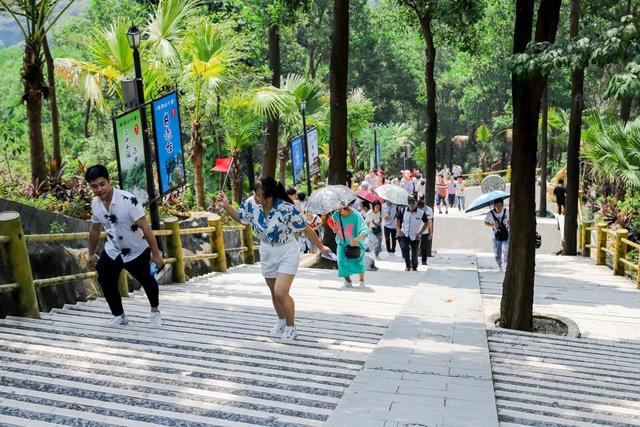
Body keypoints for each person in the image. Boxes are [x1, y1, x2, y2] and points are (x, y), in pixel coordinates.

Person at [215, 177, 330, 341]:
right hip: (267, 250)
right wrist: (226, 205)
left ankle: (291, 327)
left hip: (287, 251)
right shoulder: (251, 204)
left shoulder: (286, 209)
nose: (255, 198)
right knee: (273, 292)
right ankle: (281, 321)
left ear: (269, 197)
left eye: (258, 196)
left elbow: (305, 228)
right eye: (254, 194)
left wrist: (321, 247)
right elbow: (241, 218)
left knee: (280, 292)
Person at [85, 164, 164, 326]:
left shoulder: (128, 200)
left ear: (109, 181)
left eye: (102, 184)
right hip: (113, 249)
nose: (99, 189)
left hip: (136, 249)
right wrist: (90, 253)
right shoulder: (95, 204)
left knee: (146, 280)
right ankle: (119, 315)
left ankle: (155, 310)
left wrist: (156, 254)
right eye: (94, 186)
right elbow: (95, 229)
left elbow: (146, 227)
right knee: (104, 276)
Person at [331, 204, 368, 288]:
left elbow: (364, 229)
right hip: (342, 243)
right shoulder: (336, 215)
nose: (338, 211)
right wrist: (334, 229)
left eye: (340, 208)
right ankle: (348, 281)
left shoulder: (356, 215)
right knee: (340, 261)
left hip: (356, 243)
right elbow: (335, 230)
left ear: (345, 206)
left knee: (359, 262)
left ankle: (361, 280)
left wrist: (357, 239)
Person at [396, 197, 430, 271]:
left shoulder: (421, 212)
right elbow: (397, 218)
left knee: (415, 256)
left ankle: (414, 265)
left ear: (416, 205)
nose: (411, 207)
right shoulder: (403, 210)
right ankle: (408, 265)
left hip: (415, 236)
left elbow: (426, 222)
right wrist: (398, 229)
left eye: (413, 205)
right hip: (404, 234)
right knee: (405, 248)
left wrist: (420, 233)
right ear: (408, 205)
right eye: (410, 205)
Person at [484, 199, 509, 272]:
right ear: (494, 205)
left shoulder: (506, 211)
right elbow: (485, 222)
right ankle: (499, 265)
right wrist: (493, 225)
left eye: (500, 205)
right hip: (496, 235)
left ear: (503, 205)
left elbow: (509, 220)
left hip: (506, 232)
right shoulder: (490, 214)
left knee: (506, 248)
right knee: (497, 252)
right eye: (497, 205)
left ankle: (506, 264)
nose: (499, 207)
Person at [417, 200, 434, 265]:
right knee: (415, 247)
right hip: (416, 231)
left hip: (425, 232)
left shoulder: (429, 209)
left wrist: (430, 233)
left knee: (424, 247)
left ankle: (424, 260)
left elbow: (430, 222)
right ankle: (414, 260)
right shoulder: (414, 209)